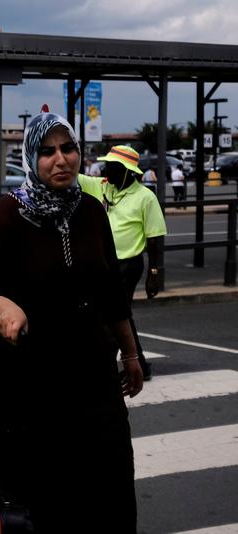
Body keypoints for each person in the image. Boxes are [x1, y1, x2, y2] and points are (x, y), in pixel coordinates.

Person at [0, 112, 143, 533]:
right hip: (26, 392)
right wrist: (1, 305)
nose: (61, 160)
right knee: (33, 505)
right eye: (47, 151)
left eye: (68, 148)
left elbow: (112, 291)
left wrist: (130, 352)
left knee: (103, 495)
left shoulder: (92, 212)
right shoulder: (6, 215)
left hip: (92, 386)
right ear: (31, 157)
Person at [98, 145, 167, 380]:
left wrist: (155, 273)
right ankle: (141, 364)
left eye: (112, 167)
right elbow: (76, 175)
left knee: (114, 315)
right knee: (121, 314)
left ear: (127, 171)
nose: (106, 170)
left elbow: (155, 238)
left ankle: (107, 367)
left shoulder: (145, 198)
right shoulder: (105, 187)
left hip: (128, 265)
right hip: (106, 265)